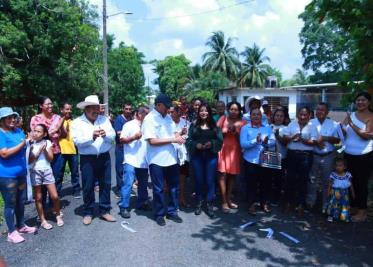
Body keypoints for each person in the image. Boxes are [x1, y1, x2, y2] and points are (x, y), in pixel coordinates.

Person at [71, 95, 116, 225]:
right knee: (88, 185)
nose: (96, 110)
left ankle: (104, 210)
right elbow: (77, 141)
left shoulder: (104, 120)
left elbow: (113, 136)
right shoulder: (77, 122)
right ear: (86, 109)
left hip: (104, 156)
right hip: (87, 159)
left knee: (105, 184)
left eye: (97, 108)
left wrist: (106, 135)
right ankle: (88, 212)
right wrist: (91, 136)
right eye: (93, 108)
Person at [142, 94, 186, 226]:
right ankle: (159, 214)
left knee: (174, 187)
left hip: (171, 158)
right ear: (158, 105)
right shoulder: (149, 119)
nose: (168, 109)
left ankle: (172, 212)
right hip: (156, 160)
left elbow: (174, 133)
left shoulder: (167, 118)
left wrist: (180, 135)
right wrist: (174, 139)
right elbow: (152, 141)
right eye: (166, 107)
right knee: (159, 189)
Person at [0, 107, 37, 244]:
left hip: (21, 173)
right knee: (10, 203)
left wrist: (30, 145)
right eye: (8, 118)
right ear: (2, 120)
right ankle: (11, 231)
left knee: (20, 201)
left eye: (13, 117)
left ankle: (21, 225)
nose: (12, 120)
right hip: (6, 176)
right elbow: (4, 153)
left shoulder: (18, 131)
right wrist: (23, 143)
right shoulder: (1, 134)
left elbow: (25, 150)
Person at [186, 103, 223, 218]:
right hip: (197, 156)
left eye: (206, 111)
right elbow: (188, 140)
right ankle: (199, 202)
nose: (203, 113)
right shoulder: (193, 125)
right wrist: (196, 145)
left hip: (211, 156)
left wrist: (211, 144)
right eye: (201, 111)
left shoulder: (215, 126)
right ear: (198, 112)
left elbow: (220, 141)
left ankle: (209, 203)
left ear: (209, 112)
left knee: (209, 180)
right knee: (199, 180)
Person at [341, 91, 373, 222]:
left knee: (361, 184)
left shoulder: (371, 116)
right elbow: (343, 129)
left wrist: (351, 124)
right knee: (350, 182)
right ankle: (353, 207)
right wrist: (342, 128)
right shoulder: (351, 115)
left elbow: (366, 136)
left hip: (364, 156)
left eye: (363, 100)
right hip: (348, 154)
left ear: (369, 102)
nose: (360, 102)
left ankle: (362, 211)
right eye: (358, 100)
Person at [282, 107, 318, 216]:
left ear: (309, 116)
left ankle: (301, 204)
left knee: (303, 180)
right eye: (301, 114)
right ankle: (289, 203)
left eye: (305, 114)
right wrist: (293, 137)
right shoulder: (292, 124)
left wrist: (303, 140)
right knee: (290, 179)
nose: (302, 117)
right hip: (292, 154)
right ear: (298, 115)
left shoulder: (313, 126)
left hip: (306, 155)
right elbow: (285, 138)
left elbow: (314, 141)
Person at [240, 107, 275, 215]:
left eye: (258, 114)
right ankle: (251, 204)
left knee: (266, 182)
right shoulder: (245, 128)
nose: (256, 116)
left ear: (261, 116)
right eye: (254, 114)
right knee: (251, 184)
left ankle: (264, 203)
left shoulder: (267, 127)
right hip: (251, 160)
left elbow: (273, 141)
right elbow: (243, 144)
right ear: (250, 117)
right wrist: (256, 141)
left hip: (265, 159)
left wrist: (266, 142)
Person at [29, 124, 64, 229]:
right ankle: (43, 219)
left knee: (54, 196)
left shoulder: (48, 142)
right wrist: (38, 150)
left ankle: (58, 215)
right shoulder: (30, 144)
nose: (35, 133)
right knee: (38, 198)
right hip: (35, 172)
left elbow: (50, 159)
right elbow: (29, 160)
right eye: (34, 130)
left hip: (47, 171)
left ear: (44, 134)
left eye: (39, 131)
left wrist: (44, 150)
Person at [307, 102, 340, 212]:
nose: (319, 112)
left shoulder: (333, 124)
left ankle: (326, 204)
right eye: (318, 109)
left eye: (322, 110)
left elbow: (337, 140)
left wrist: (324, 138)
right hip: (314, 155)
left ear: (327, 112)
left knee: (327, 181)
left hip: (328, 156)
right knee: (312, 179)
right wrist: (317, 141)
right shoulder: (310, 123)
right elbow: (306, 137)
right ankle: (310, 202)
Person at [118, 106, 150, 219]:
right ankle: (124, 206)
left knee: (143, 184)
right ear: (139, 114)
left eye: (148, 113)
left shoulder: (148, 125)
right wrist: (134, 137)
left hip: (143, 161)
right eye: (145, 113)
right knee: (128, 183)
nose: (147, 115)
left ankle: (142, 203)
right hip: (130, 159)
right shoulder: (129, 125)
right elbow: (122, 140)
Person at [30, 97, 64, 198]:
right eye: (47, 104)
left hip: (56, 152)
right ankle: (44, 207)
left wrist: (61, 126)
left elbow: (62, 135)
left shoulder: (57, 117)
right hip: (42, 154)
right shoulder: (35, 119)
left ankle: (54, 204)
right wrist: (54, 130)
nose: (50, 106)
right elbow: (36, 136)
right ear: (41, 106)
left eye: (51, 104)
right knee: (43, 182)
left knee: (57, 177)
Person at [216, 101, 246, 213]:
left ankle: (229, 199)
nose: (233, 111)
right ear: (228, 109)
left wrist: (236, 132)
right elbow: (215, 132)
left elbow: (242, 140)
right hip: (223, 149)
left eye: (236, 109)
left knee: (232, 176)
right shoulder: (223, 118)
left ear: (239, 111)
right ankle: (223, 201)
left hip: (234, 151)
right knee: (222, 175)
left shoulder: (243, 123)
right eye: (231, 109)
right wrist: (225, 131)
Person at [58, 102, 81, 198]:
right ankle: (57, 192)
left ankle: (76, 190)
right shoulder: (58, 121)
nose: (69, 111)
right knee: (59, 173)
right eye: (67, 109)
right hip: (61, 150)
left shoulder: (74, 121)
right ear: (61, 110)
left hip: (73, 150)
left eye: (70, 109)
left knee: (75, 172)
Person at [169, 105, 190, 208]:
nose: (170, 114)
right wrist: (180, 133)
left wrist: (185, 134)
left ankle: (182, 198)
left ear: (178, 112)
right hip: (170, 155)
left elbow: (189, 137)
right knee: (171, 179)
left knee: (182, 178)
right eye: (169, 112)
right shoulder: (166, 123)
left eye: (172, 111)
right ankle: (171, 200)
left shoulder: (186, 123)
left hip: (183, 155)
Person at [326, 158, 355, 223]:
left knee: (345, 204)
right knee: (333, 204)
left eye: (340, 165)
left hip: (345, 192)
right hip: (335, 191)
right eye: (336, 165)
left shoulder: (348, 175)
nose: (338, 167)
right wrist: (328, 192)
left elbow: (351, 184)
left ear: (344, 167)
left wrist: (352, 192)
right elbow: (330, 184)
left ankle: (344, 217)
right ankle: (331, 216)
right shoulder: (333, 175)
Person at [269, 107, 288, 205]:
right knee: (269, 177)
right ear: (273, 117)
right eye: (277, 115)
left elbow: (286, 143)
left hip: (281, 156)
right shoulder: (269, 126)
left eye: (281, 116)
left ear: (284, 118)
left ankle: (276, 197)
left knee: (278, 178)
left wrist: (277, 136)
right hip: (269, 155)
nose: (279, 118)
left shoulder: (286, 128)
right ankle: (268, 196)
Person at [113, 103, 133, 196]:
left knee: (128, 169)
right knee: (120, 169)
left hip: (129, 148)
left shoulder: (131, 119)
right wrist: (131, 135)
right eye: (126, 109)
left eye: (130, 109)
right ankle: (119, 188)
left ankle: (128, 188)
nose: (128, 111)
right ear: (123, 109)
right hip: (120, 147)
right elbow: (119, 134)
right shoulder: (119, 120)